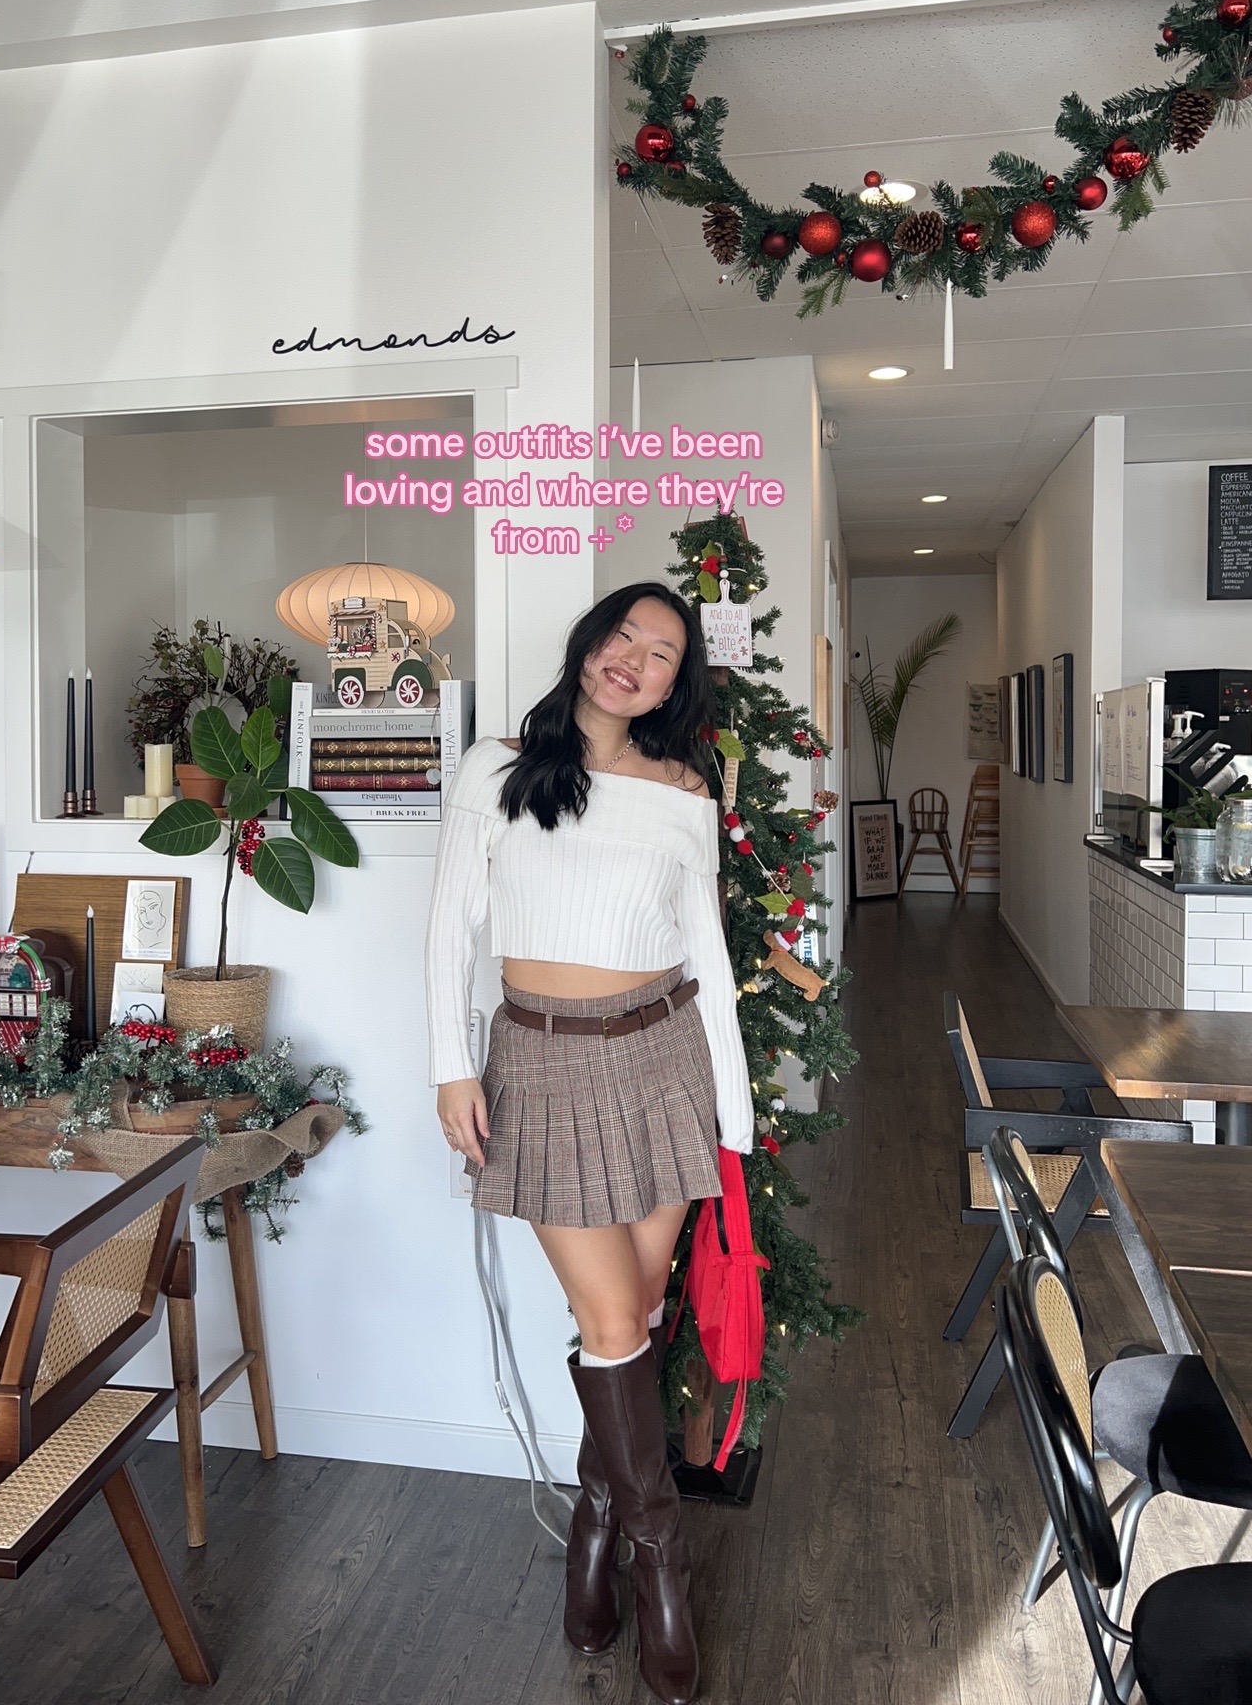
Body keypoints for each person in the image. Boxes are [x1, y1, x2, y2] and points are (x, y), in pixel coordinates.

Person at [425, 581, 752, 1705]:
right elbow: (448, 931)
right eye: (625, 635)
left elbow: (707, 954)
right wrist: (451, 1066)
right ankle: (662, 1564)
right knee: (613, 1320)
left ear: (673, 685)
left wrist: (734, 1111)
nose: (635, 660)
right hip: (544, 1062)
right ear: (589, 644)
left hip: (666, 1058)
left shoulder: (684, 791)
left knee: (637, 1315)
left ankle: (598, 1526)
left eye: (662, 654)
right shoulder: (498, 768)